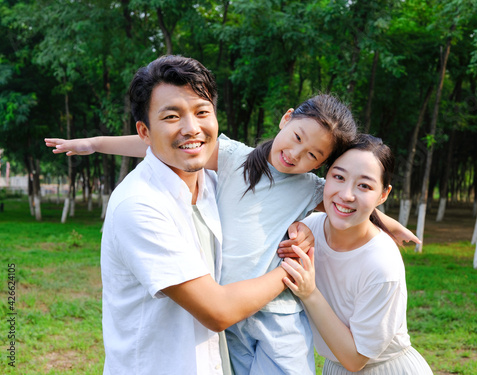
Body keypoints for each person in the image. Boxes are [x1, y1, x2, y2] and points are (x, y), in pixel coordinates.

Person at [46, 96, 420, 374]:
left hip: (279, 316)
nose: (296, 154)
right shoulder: (232, 158)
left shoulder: (310, 187)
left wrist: (390, 225)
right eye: (296, 138)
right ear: (286, 119)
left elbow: (351, 201)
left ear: (321, 164)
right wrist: (94, 144)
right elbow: (157, 144)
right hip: (233, 316)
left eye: (312, 154)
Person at [48, 54, 317, 375]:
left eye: (202, 112)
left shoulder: (214, 184)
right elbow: (218, 311)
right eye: (172, 116)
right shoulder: (139, 206)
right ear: (144, 131)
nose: (192, 128)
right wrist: (291, 271)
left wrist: (304, 228)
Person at [280, 134, 433, 374]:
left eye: (364, 185)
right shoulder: (310, 227)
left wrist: (309, 293)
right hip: (334, 366)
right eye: (338, 177)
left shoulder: (382, 264)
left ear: (383, 194)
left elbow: (355, 359)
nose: (346, 194)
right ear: (325, 179)